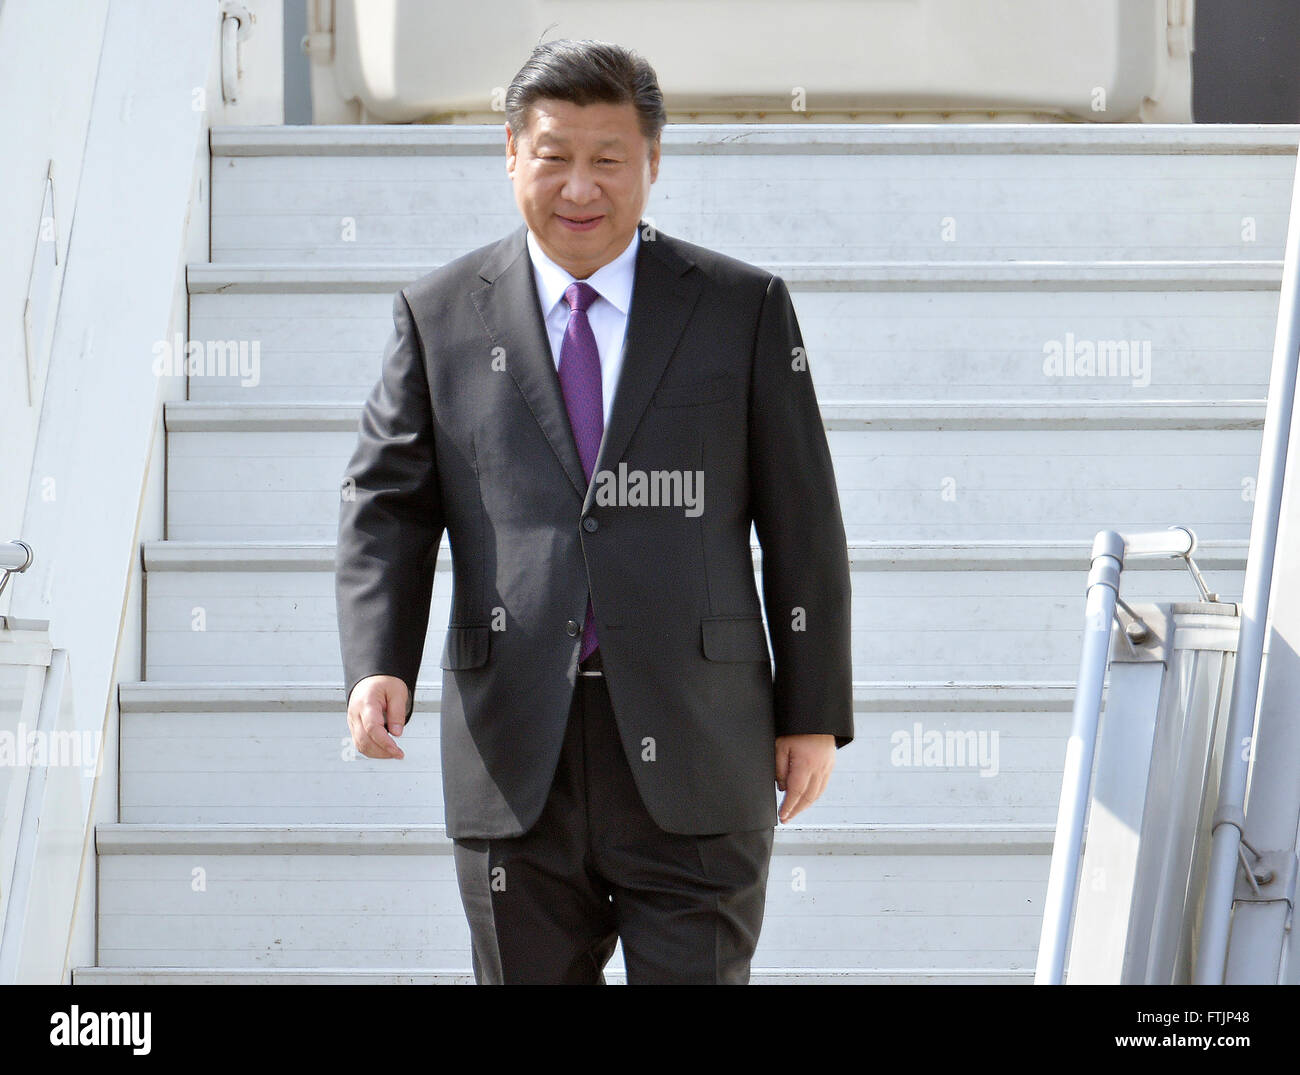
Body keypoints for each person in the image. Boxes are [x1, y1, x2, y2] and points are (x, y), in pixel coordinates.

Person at [335, 38, 853, 984]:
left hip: (699, 742)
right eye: (553, 156)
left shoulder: (741, 308)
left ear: (652, 163)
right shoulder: (440, 315)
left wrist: (812, 709)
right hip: (514, 750)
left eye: (608, 160)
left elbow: (802, 519)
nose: (580, 187)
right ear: (509, 155)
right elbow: (389, 505)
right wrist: (379, 661)